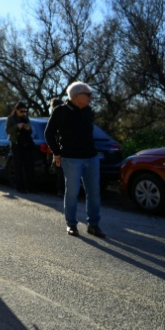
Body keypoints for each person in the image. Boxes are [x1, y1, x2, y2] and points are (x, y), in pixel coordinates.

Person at [45, 82, 106, 238]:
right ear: (76, 96)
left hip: (91, 157)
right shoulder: (61, 111)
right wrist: (57, 153)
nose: (91, 97)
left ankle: (94, 225)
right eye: (88, 94)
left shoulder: (88, 111)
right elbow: (49, 133)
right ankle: (71, 224)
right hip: (71, 158)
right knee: (72, 192)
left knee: (94, 192)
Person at [5, 102, 34, 193]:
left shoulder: (25, 118)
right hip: (16, 143)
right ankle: (20, 186)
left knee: (28, 166)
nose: (23, 113)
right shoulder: (11, 118)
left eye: (25, 111)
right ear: (16, 110)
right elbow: (7, 130)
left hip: (25, 143)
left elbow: (31, 131)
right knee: (18, 166)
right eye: (21, 111)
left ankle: (30, 187)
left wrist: (28, 128)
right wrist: (16, 126)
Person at [48, 97, 66, 197]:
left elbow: (50, 133)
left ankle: (60, 190)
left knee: (60, 169)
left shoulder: (56, 116)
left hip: (60, 145)